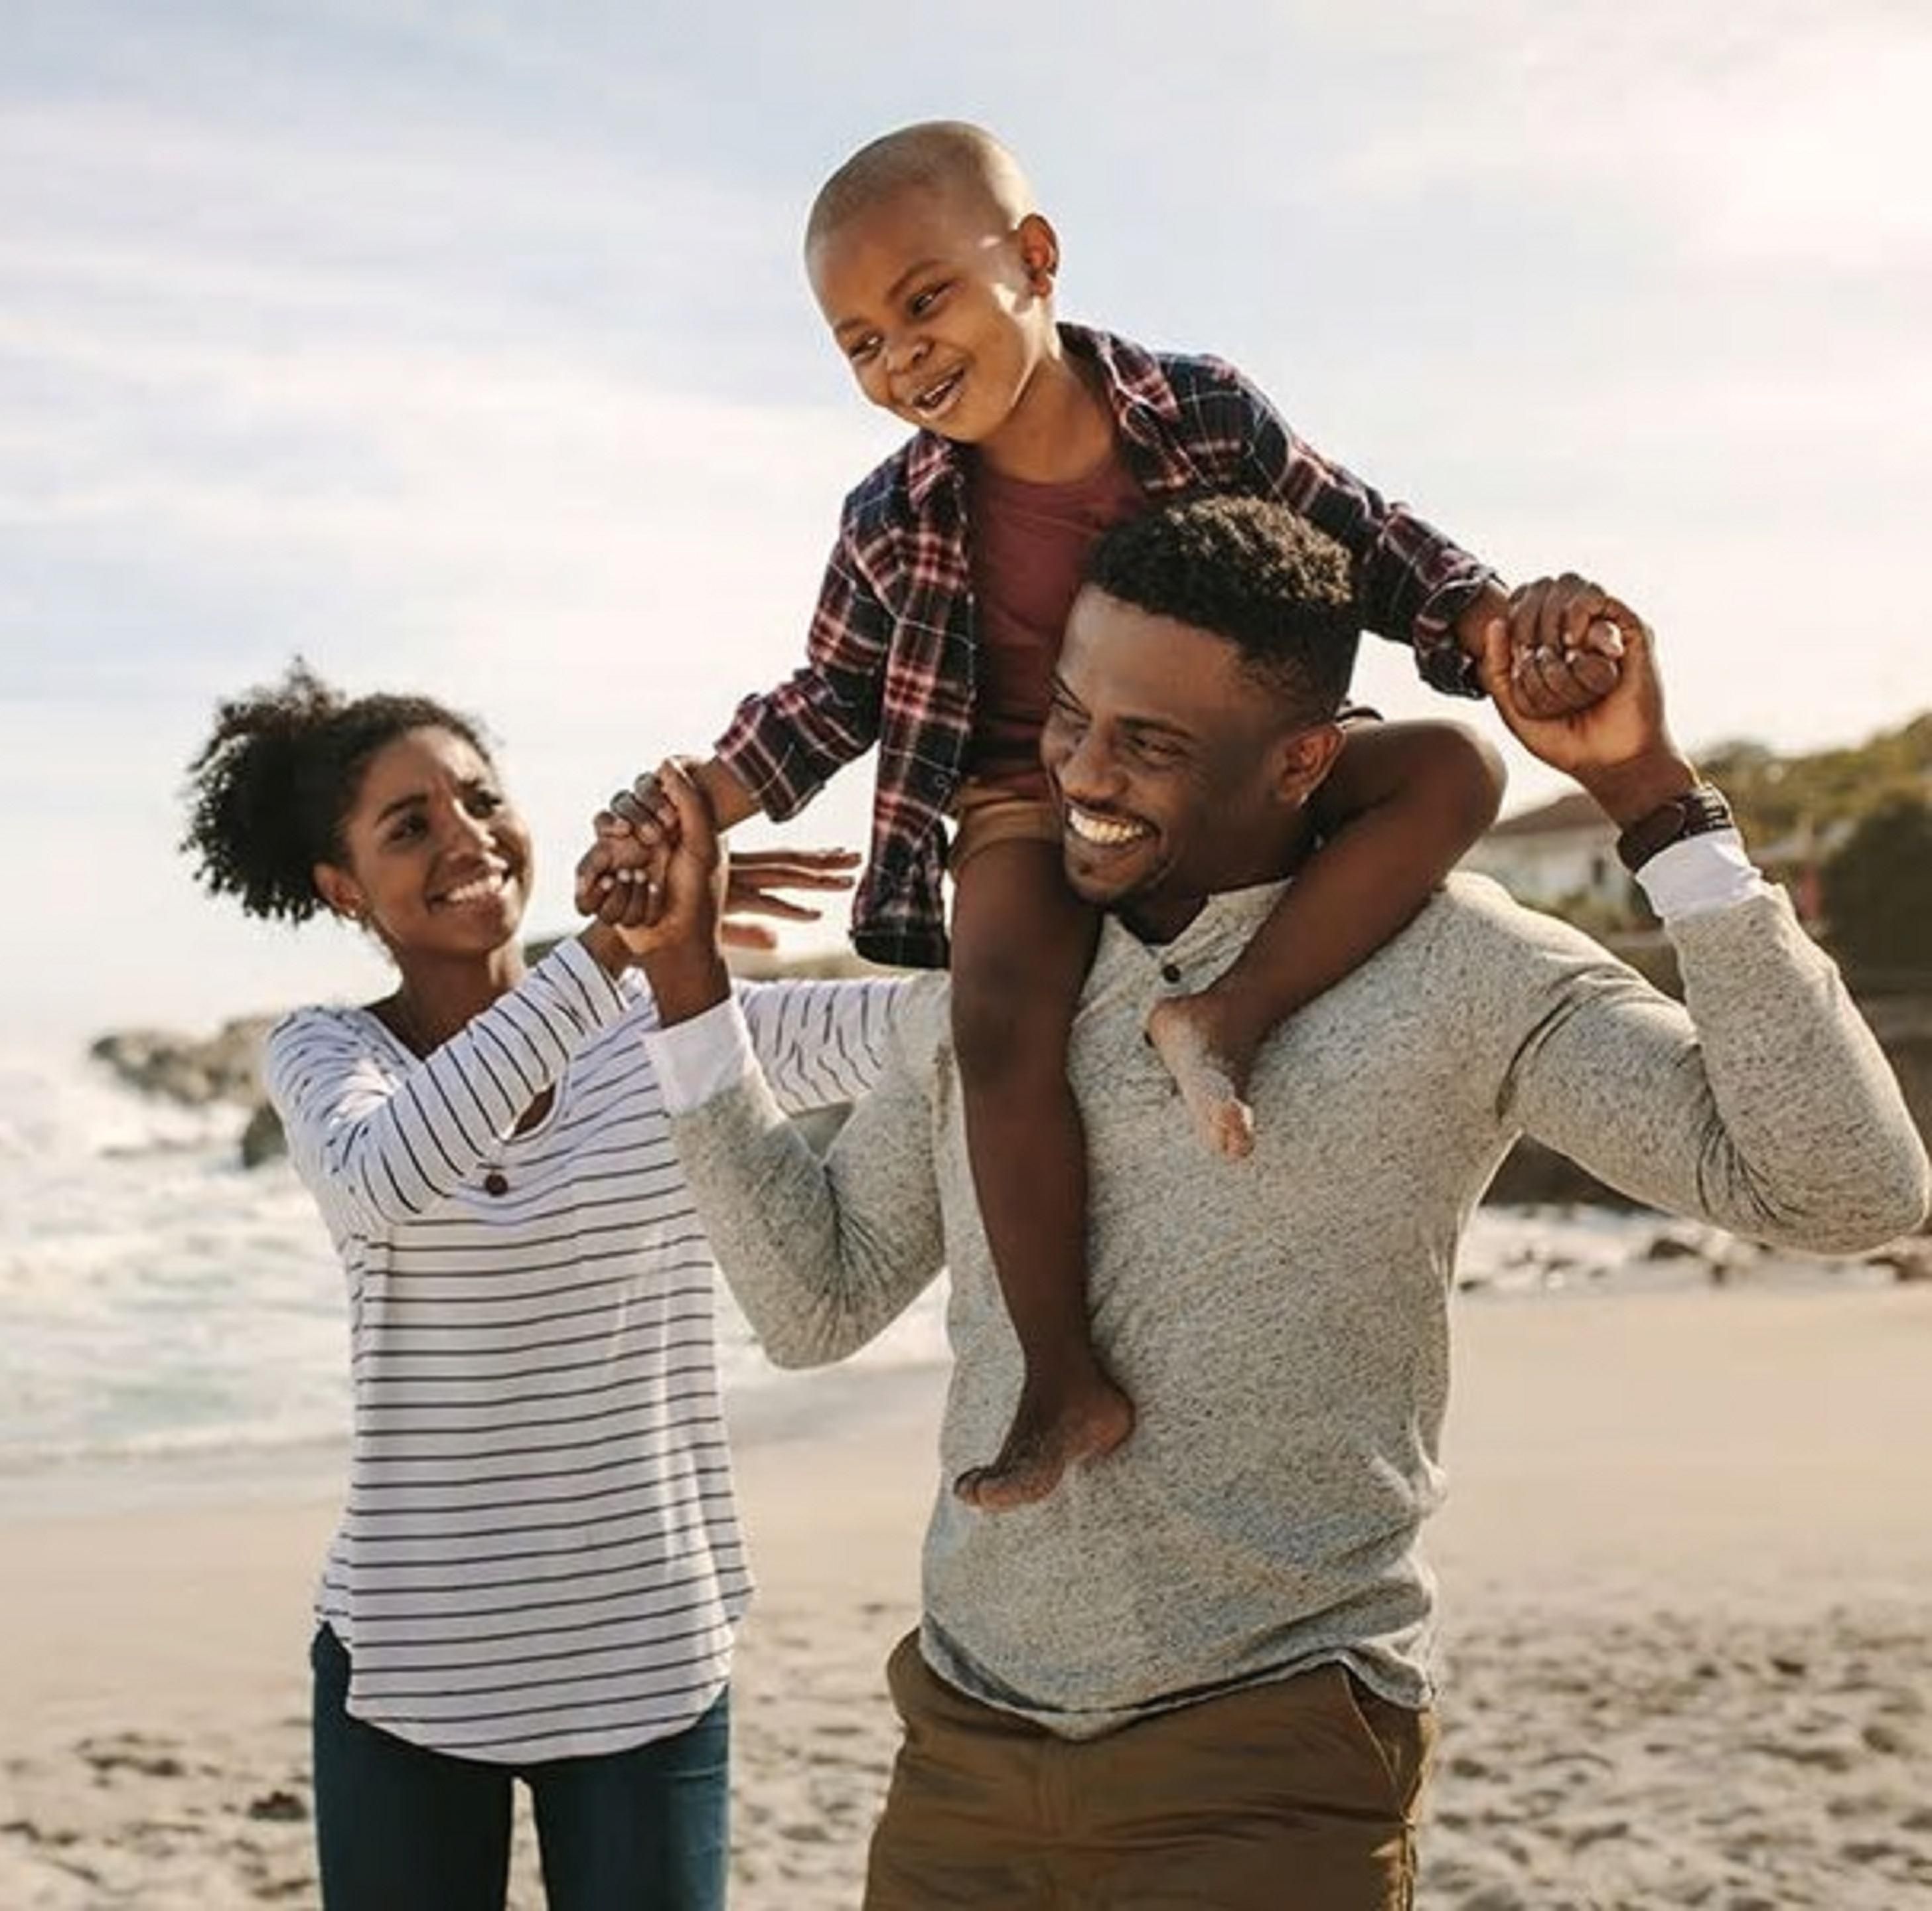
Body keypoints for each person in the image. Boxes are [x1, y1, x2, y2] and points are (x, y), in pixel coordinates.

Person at [609, 497, 1929, 1909]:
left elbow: (1845, 1189)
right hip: (965, 1749)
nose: (1082, 777)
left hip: (1273, 1760)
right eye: (1068, 717)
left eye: (1151, 745)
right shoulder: (995, 989)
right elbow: (813, 1304)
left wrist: (1652, 798)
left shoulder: (1457, 972)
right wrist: (687, 982)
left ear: (1305, 760)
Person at [596, 119, 1624, 1513]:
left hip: (1217, 777)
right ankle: (1062, 1377)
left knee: (1455, 773)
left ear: (1033, 259)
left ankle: (1229, 1014)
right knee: (1001, 1007)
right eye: (858, 346)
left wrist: (1491, 622)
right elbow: (829, 697)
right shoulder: (889, 517)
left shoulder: (1197, 411)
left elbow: (1366, 538)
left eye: (923, 304)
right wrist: (696, 799)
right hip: (1027, 795)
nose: (901, 361)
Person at [179, 664, 901, 1911]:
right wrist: (613, 953)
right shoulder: (325, 1052)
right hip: (412, 1667)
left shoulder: (674, 1024)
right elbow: (388, 1174)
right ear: (343, 890)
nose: (465, 837)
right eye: (410, 828)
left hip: (651, 1658)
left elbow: (931, 1031)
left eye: (479, 798)